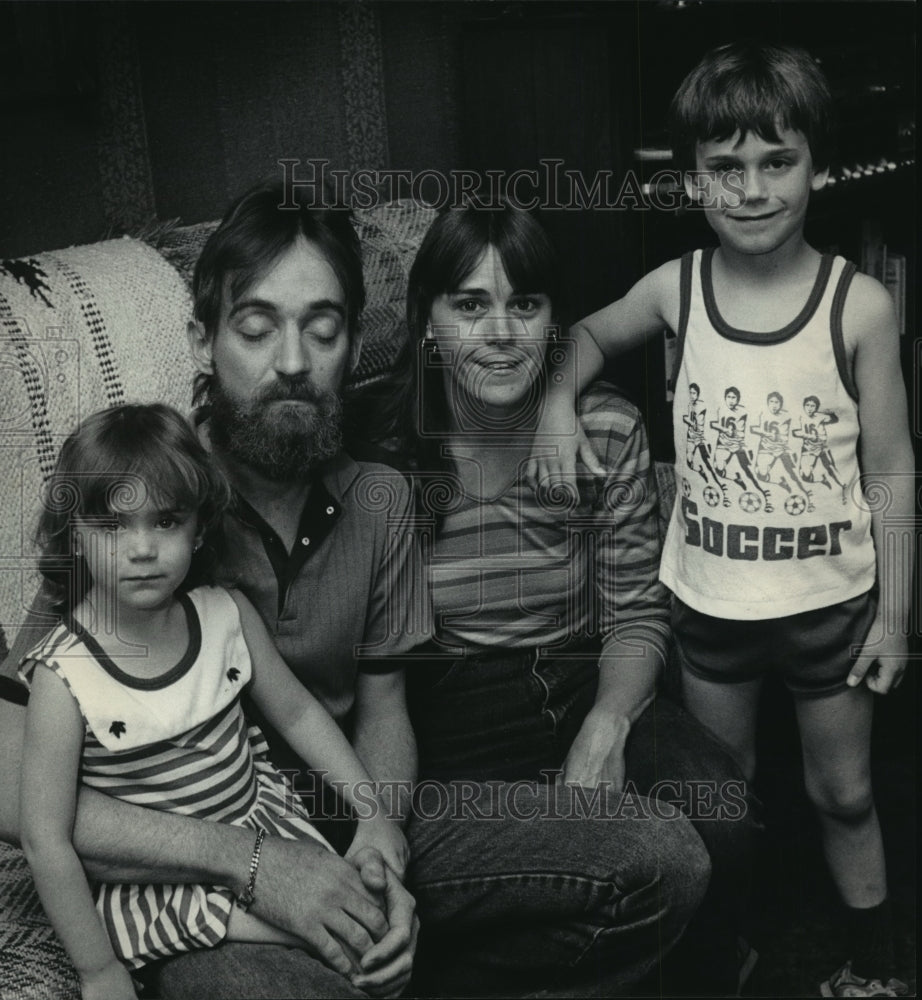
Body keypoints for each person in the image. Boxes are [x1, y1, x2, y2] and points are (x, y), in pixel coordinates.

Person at [1, 178, 709, 999]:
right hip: (197, 866)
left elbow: (384, 713)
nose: (293, 363)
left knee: (662, 858)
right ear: (203, 341)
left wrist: (383, 841)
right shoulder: (142, 503)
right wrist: (259, 865)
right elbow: (14, 788)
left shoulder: (380, 496)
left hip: (344, 806)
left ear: (352, 341)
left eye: (323, 329)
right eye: (257, 328)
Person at [532, 41, 913, 998]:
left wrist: (898, 614)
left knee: (845, 791)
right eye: (724, 168)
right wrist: (554, 405)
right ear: (691, 179)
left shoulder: (859, 306)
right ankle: (727, 959)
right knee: (721, 799)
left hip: (834, 605)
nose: (751, 190)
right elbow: (580, 337)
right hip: (710, 610)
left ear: (817, 168)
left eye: (775, 162)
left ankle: (877, 966)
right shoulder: (676, 289)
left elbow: (894, 470)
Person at [402, 201, 759, 996]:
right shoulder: (382, 451)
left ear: (555, 323)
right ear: (427, 323)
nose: (501, 333)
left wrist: (606, 725)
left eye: (524, 306)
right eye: (470, 305)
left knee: (724, 820)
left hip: (582, 680)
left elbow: (635, 612)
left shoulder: (604, 428)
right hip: (450, 711)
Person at [18, 403, 407, 1000]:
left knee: (372, 925)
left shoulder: (225, 614)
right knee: (337, 950)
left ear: (199, 528)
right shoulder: (62, 674)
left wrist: (370, 808)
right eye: (113, 526)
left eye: (166, 521)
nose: (142, 548)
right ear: (74, 535)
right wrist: (98, 970)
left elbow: (299, 712)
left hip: (266, 827)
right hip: (168, 882)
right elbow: (46, 838)